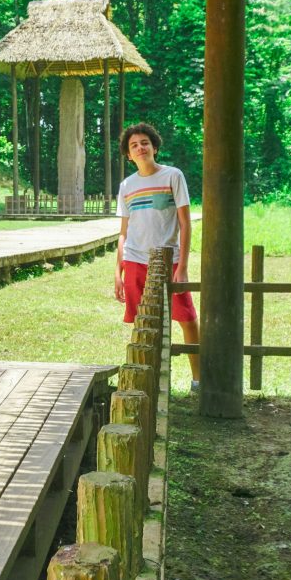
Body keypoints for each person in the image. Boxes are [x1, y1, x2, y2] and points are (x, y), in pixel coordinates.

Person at [114, 122, 200, 388]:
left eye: (145, 143)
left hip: (168, 261)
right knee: (142, 323)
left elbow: (185, 223)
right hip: (135, 260)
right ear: (128, 155)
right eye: (134, 145)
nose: (140, 148)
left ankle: (199, 378)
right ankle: (148, 379)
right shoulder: (127, 185)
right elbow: (123, 233)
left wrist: (183, 265)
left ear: (154, 147)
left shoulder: (173, 176)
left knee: (187, 318)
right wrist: (118, 273)